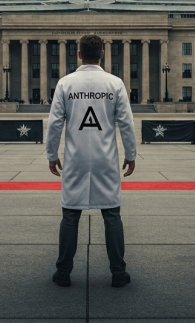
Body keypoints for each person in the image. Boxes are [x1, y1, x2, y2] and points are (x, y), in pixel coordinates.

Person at [47, 34, 137, 289]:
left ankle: (63, 272)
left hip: (75, 159)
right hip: (105, 159)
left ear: (78, 54)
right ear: (102, 54)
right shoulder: (115, 83)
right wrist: (131, 154)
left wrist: (52, 155)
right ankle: (118, 272)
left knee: (70, 214)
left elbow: (54, 124)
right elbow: (126, 123)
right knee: (111, 214)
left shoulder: (65, 83)